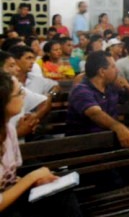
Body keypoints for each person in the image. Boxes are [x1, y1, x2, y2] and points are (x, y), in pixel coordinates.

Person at [0, 71, 83, 216]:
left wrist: (38, 181)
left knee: (60, 193)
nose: (24, 96)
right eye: (19, 92)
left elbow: (9, 179)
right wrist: (32, 177)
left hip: (11, 198)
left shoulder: (8, 129)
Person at [66, 51, 129, 147]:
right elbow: (94, 113)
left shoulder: (111, 87)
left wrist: (128, 85)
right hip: (83, 146)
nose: (117, 70)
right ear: (102, 72)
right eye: (113, 67)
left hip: (108, 142)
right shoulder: (81, 90)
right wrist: (118, 127)